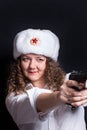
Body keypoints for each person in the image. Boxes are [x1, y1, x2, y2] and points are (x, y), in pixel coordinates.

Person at [5, 28, 87, 130]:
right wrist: (59, 97)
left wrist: (82, 90)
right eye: (26, 59)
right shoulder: (14, 99)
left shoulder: (68, 81)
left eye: (39, 59)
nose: (32, 66)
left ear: (49, 63)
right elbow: (36, 101)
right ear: (19, 63)